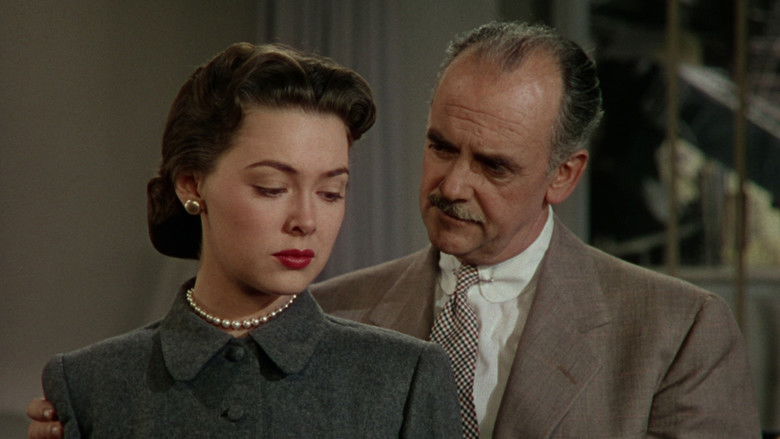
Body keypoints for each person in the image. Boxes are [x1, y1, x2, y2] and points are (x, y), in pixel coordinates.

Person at [28, 21, 761, 438]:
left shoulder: (675, 331)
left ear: (563, 175)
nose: (453, 184)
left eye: (493, 165)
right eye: (441, 146)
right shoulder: (330, 308)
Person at [27, 42, 461, 438]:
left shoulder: (405, 378)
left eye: (331, 192)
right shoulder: (88, 385)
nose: (306, 221)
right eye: (272, 188)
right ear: (192, 185)